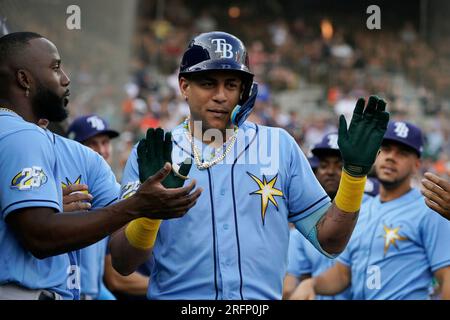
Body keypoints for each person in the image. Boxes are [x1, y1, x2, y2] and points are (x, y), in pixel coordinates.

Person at [109, 31, 389, 300]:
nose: (221, 95)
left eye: (231, 84)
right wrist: (150, 211)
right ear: (184, 86)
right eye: (208, 83)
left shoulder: (279, 145)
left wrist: (353, 175)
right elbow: (122, 263)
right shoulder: (155, 153)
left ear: (244, 90)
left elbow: (330, 242)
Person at [0, 32, 201, 299]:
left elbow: (124, 261)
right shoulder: (17, 133)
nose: (65, 78)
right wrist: (135, 206)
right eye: (55, 67)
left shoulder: (84, 157)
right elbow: (39, 236)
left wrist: (147, 217)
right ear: (24, 79)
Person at [290, 121, 450, 300]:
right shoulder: (362, 209)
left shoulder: (430, 209)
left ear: (417, 164)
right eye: (386, 149)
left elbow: (446, 277)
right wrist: (311, 283)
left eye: (403, 153)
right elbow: (343, 275)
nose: (391, 157)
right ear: (376, 155)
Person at [283, 132, 378, 300]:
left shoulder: (374, 210)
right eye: (325, 165)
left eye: (340, 165)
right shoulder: (303, 224)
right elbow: (293, 283)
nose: (331, 172)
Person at [66, 114, 149, 299]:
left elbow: (95, 286)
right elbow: (116, 279)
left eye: (105, 142)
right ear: (72, 148)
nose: (101, 150)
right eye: (92, 144)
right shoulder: (67, 193)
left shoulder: (108, 195)